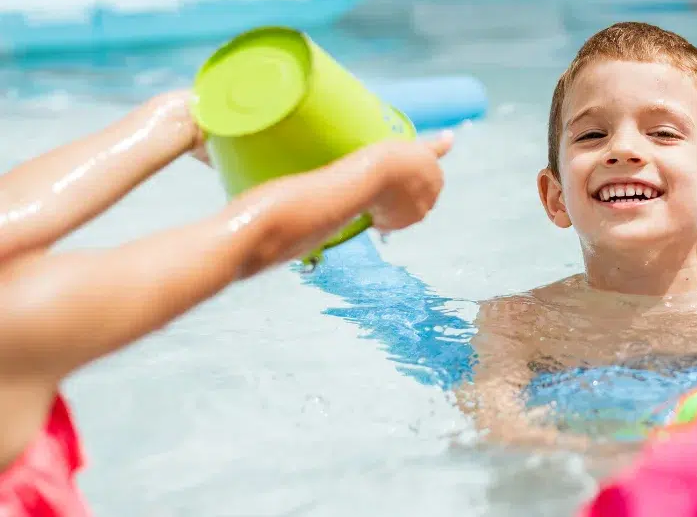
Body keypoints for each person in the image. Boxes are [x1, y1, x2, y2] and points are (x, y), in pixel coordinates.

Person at [0, 89, 452, 514]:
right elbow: (249, 244)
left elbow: (10, 215)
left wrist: (182, 118)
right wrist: (376, 178)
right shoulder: (20, 326)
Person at [461, 22, 697, 449]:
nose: (622, 149)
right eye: (592, 135)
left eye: (663, 133)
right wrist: (613, 457)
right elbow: (497, 427)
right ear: (556, 197)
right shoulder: (520, 323)